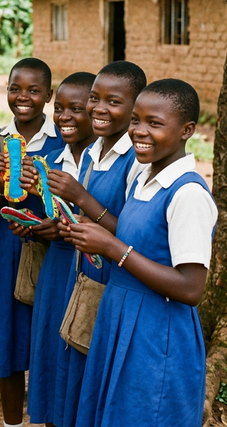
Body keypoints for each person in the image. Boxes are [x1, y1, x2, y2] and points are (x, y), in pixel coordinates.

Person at [71, 79, 217, 427]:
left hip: (157, 333)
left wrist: (113, 249)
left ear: (187, 131)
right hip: (120, 317)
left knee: (145, 414)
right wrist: (91, 233)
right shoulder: (144, 178)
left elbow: (191, 288)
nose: (139, 131)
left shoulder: (188, 194)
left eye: (155, 123)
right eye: (136, 120)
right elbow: (134, 238)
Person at [48, 61, 147, 427]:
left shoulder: (136, 159)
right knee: (74, 381)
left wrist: (81, 197)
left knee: (100, 381)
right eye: (94, 98)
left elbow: (135, 236)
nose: (99, 109)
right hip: (85, 282)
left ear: (136, 106)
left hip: (115, 286)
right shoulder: (93, 151)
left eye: (113, 101)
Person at [0, 57, 65, 427]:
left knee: (48, 338)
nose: (22, 97)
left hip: (52, 250)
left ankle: (50, 417)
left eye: (33, 90)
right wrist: (0, 184)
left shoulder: (63, 139)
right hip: (7, 250)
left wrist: (37, 187)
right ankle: (12, 422)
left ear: (48, 95)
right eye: (15, 88)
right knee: (7, 338)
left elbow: (67, 204)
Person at [18, 72, 97, 427]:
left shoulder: (110, 162)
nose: (64, 117)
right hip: (56, 269)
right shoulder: (49, 159)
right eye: (59, 108)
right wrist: (39, 228)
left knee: (84, 357)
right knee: (51, 355)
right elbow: (42, 213)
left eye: (76, 109)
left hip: (93, 273)